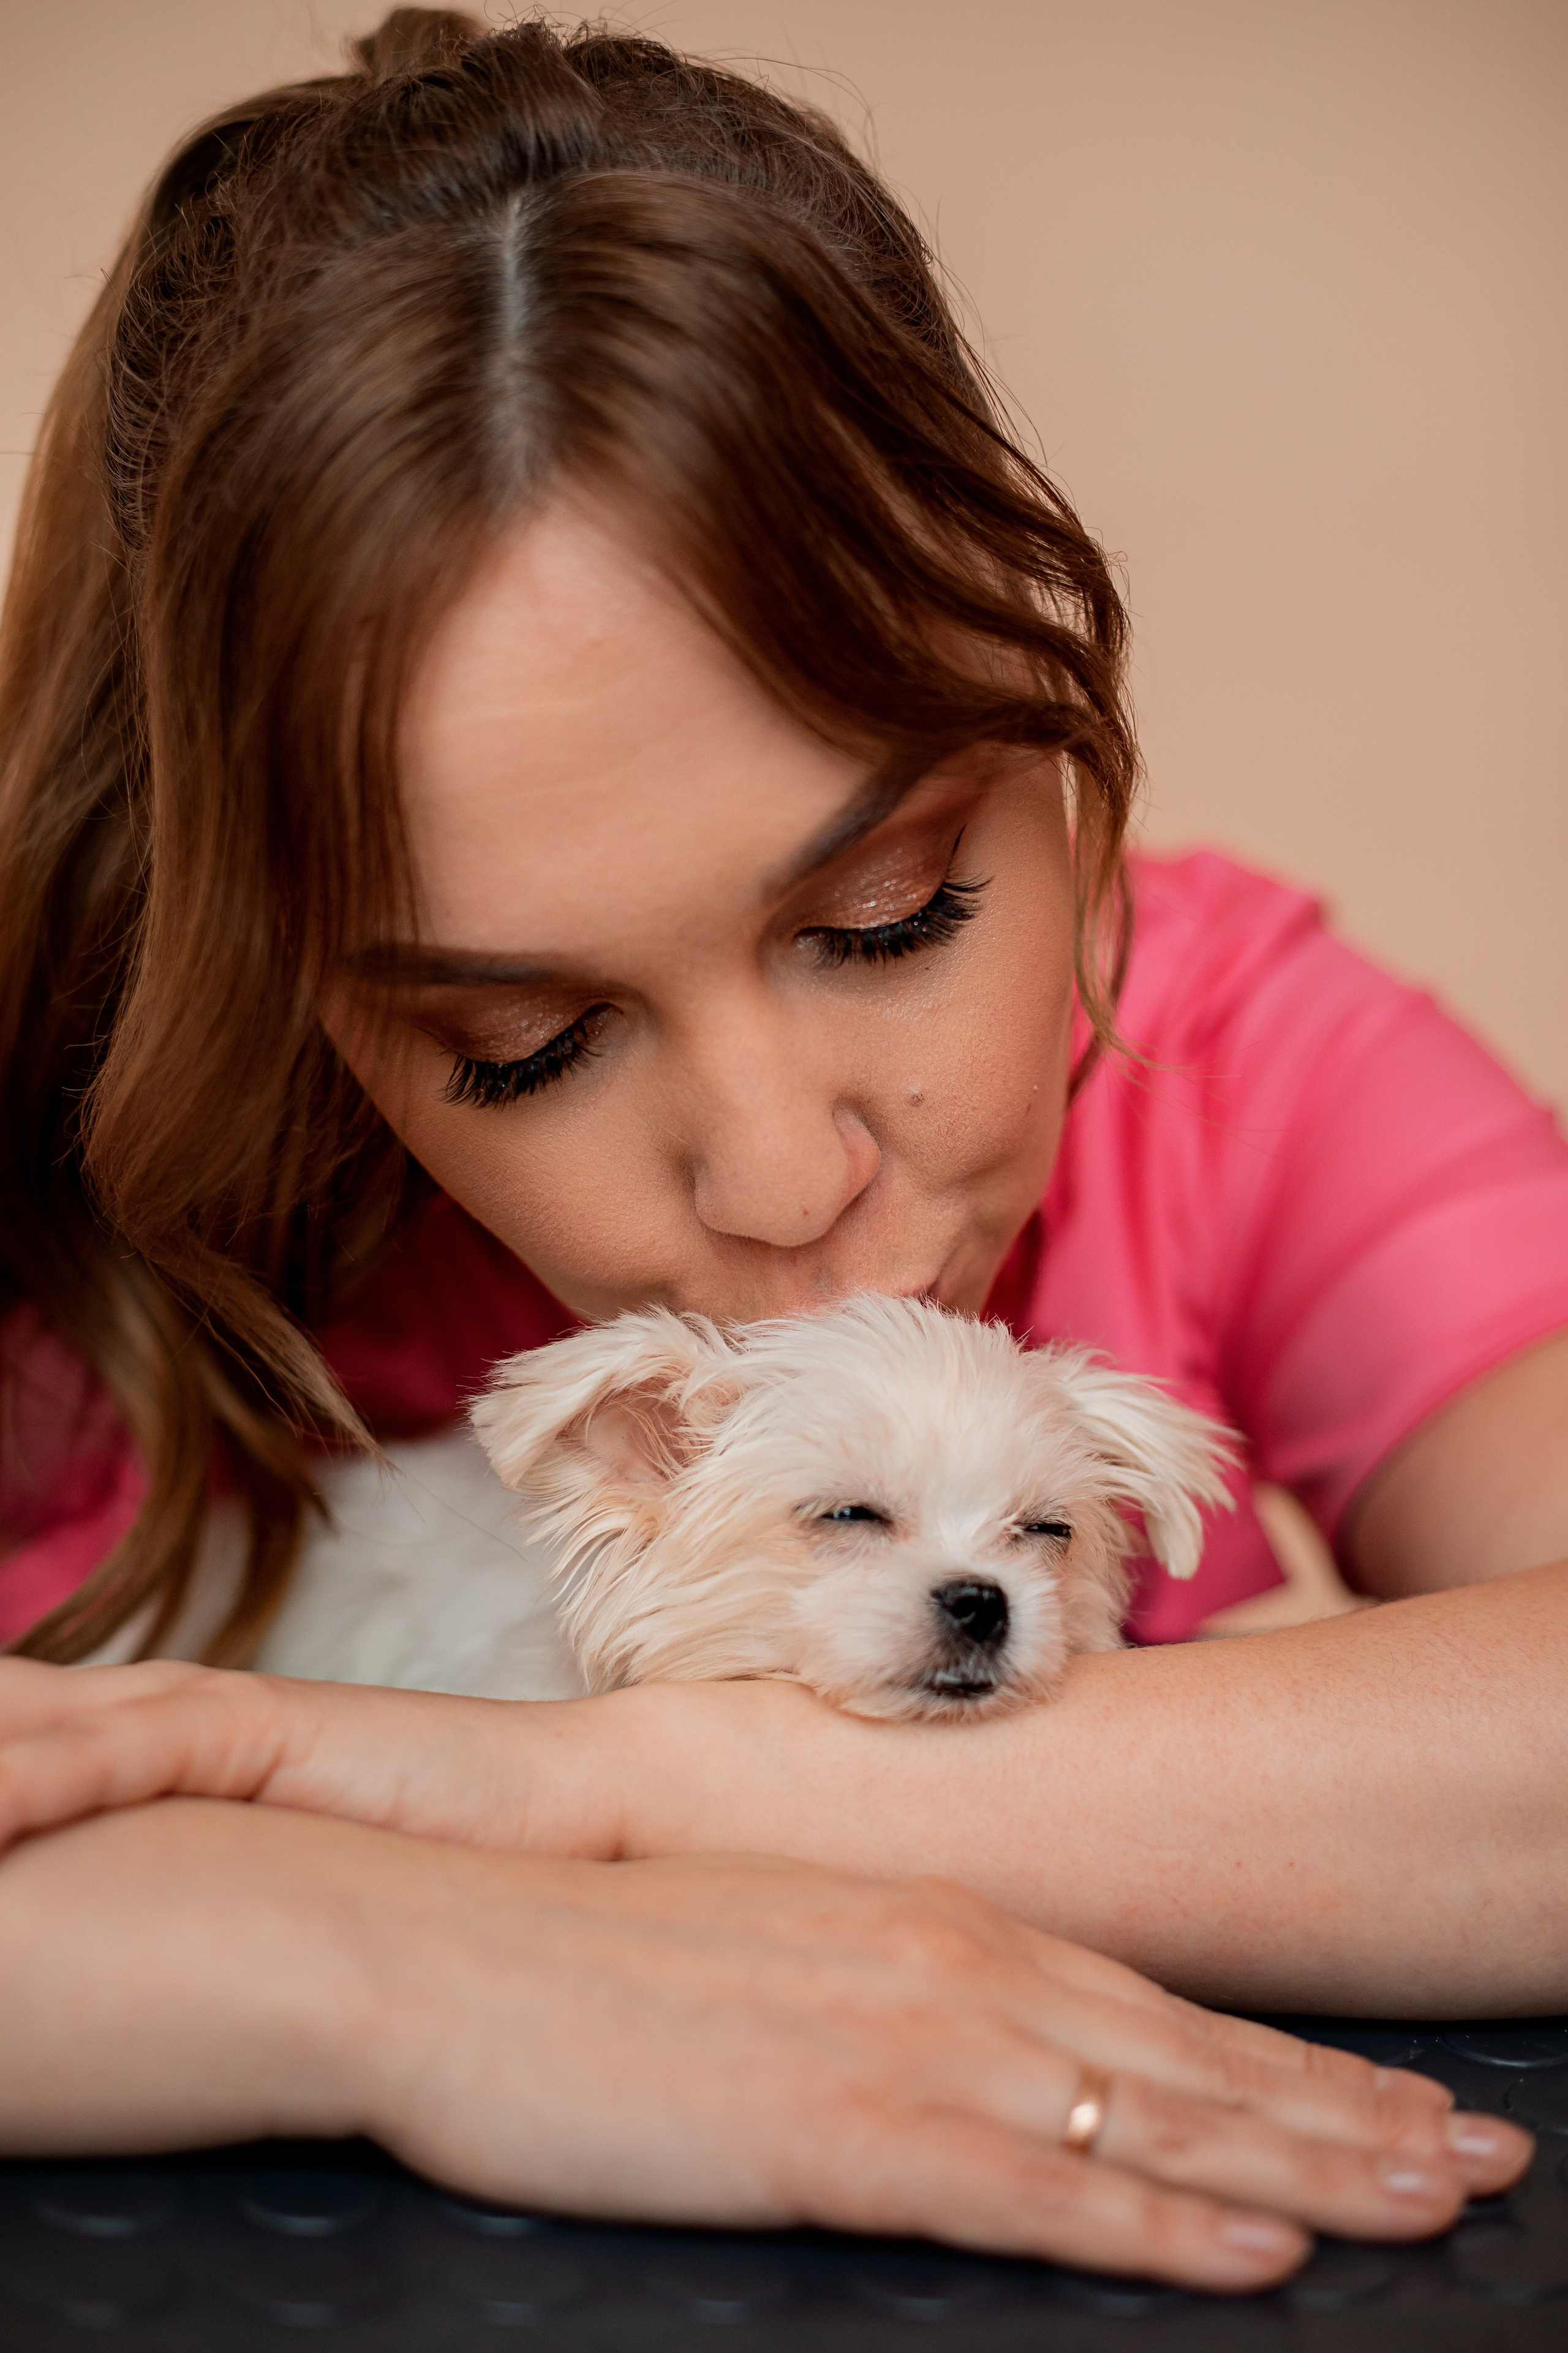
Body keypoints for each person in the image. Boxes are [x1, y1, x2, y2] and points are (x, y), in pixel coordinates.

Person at [0, 4, 1562, 2289]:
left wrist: (622, 1791)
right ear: (293, 997)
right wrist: (400, 1967)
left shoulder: (1246, 1060)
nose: (775, 1175)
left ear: (1067, 753)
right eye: (521, 1041)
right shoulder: (82, 1205)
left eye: (887, 916)